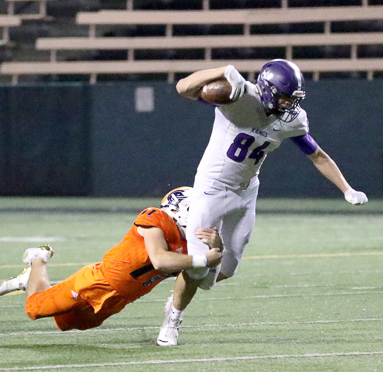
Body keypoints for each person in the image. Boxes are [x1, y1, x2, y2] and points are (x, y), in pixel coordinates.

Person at [156, 59, 368, 347]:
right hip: (211, 190)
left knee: (225, 270)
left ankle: (186, 283)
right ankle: (172, 320)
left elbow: (318, 156)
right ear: (267, 89)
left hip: (246, 192)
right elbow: (183, 88)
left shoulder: (292, 118)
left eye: (293, 98)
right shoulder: (240, 97)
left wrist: (347, 188)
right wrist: (222, 71)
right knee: (197, 269)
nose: (289, 103)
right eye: (284, 96)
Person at [0, 187, 223, 332]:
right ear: (179, 208)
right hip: (97, 281)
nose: (201, 219)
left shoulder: (192, 245)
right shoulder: (156, 218)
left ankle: (32, 279)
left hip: (122, 297)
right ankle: (37, 260)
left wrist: (217, 247)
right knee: (34, 308)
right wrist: (205, 259)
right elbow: (160, 260)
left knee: (66, 323)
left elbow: (204, 280)